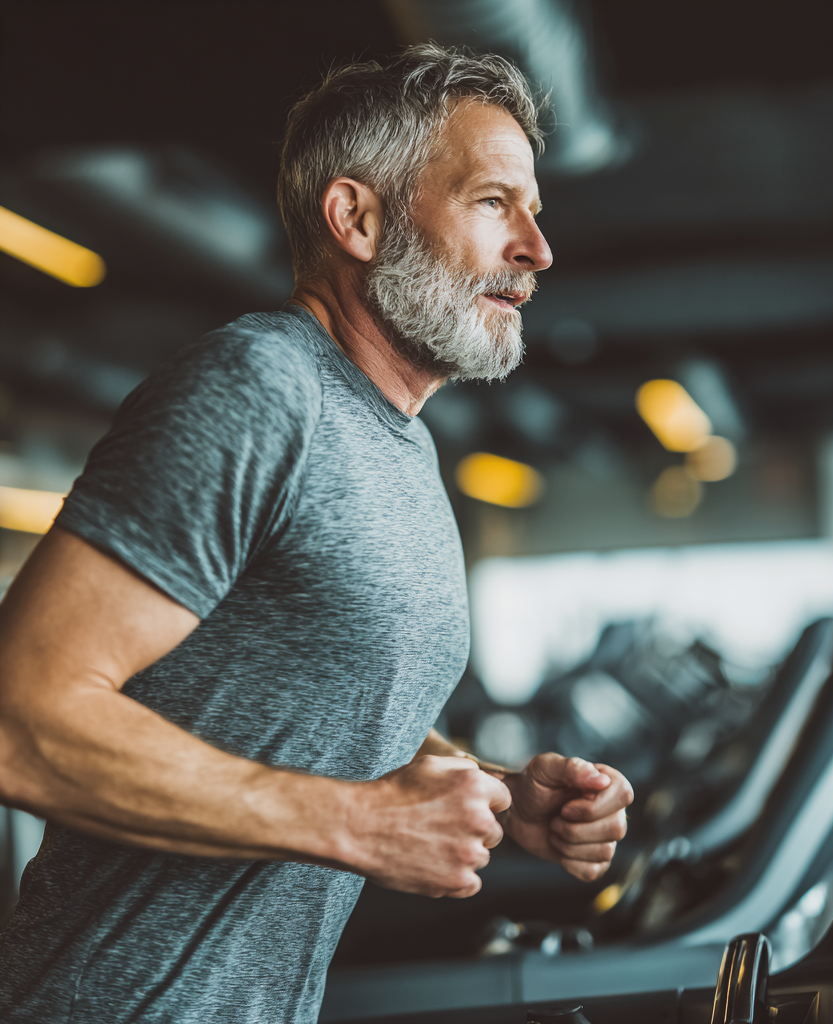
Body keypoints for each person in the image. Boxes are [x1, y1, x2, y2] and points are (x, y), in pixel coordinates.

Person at [0, 43, 633, 1024]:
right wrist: (360, 823)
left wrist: (499, 798)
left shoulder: (399, 444)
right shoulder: (260, 390)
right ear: (358, 219)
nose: (536, 250)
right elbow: (19, 720)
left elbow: (310, 705)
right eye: (492, 203)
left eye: (535, 211)